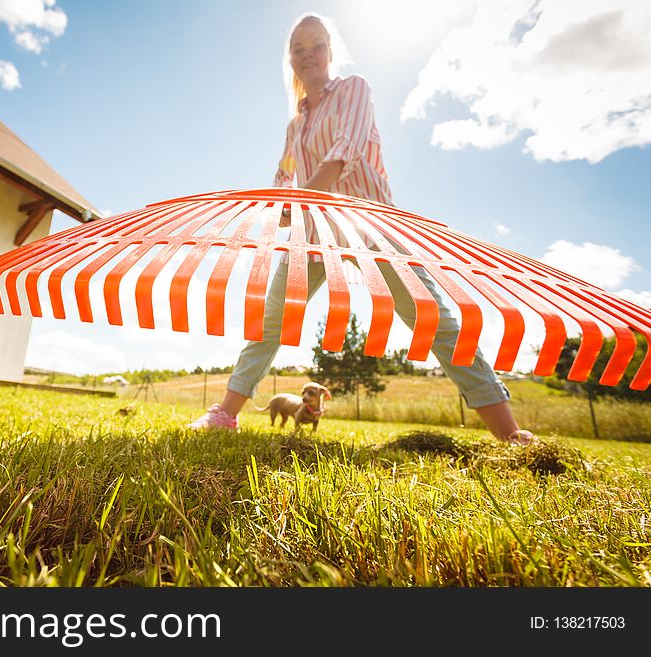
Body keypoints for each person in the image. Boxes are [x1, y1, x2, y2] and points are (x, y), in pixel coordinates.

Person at [188, 13, 535, 445]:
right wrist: (280, 208)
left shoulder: (354, 90)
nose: (308, 54)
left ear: (331, 52)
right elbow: (283, 175)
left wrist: (297, 203)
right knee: (270, 321)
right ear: (291, 61)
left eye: (316, 45)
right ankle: (226, 414)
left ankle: (511, 435)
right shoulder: (296, 124)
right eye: (299, 49)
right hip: (314, 233)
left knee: (433, 318)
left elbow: (342, 155)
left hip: (371, 223)